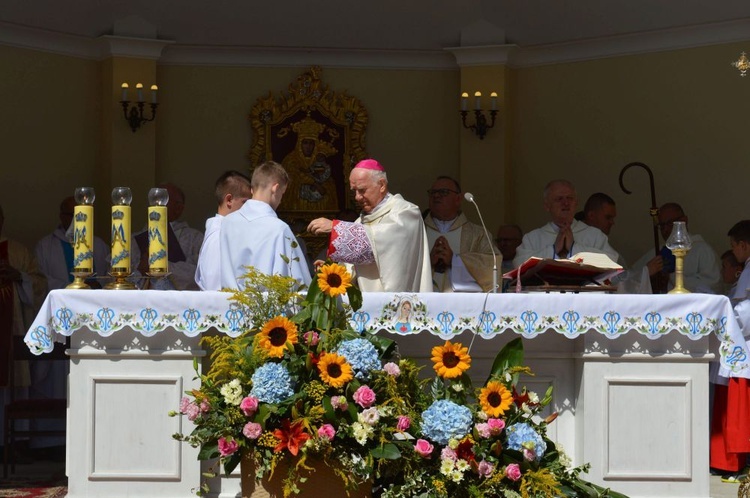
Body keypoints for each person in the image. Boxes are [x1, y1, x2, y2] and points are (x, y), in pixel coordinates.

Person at [307, 158, 432, 292]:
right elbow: (353, 267)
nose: (357, 197)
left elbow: (379, 245)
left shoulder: (405, 212)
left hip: (396, 303)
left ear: (382, 185)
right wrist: (332, 272)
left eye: (362, 190)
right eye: (354, 191)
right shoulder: (359, 221)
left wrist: (335, 228)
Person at [0, 204, 46, 459]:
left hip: (11, 326)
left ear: (3, 219)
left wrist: (19, 276)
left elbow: (39, 283)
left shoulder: (17, 250)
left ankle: (14, 445)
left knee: (11, 379)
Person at [220, 161, 311, 289]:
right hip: (264, 307)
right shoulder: (279, 229)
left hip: (231, 306)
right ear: (276, 188)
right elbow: (296, 283)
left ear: (252, 189)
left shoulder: (227, 223)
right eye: (282, 194)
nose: (281, 200)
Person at [710, 221, 750, 481]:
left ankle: (732, 461)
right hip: (741, 344)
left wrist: (722, 318)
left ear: (744, 245)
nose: (733, 251)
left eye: (734, 246)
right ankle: (727, 461)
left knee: (735, 407)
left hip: (743, 345)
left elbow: (746, 312)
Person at [513, 180, 620, 268]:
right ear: (547, 206)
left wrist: (575, 248)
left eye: (570, 198)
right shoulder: (532, 238)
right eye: (559, 199)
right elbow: (518, 266)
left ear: (576, 203)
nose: (566, 203)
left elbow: (612, 263)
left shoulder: (595, 235)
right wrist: (553, 250)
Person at [423, 176, 495, 292]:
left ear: (458, 199)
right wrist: (427, 261)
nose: (436, 196)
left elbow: (491, 269)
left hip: (463, 304)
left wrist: (455, 260)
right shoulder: (417, 231)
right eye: (433, 192)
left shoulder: (478, 234)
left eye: (443, 192)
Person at [631, 202, 720, 294]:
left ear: (684, 221)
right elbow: (631, 277)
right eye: (662, 225)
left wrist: (672, 276)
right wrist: (648, 273)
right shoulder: (657, 251)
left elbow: (712, 286)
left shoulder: (702, 250)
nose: (665, 230)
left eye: (670, 223)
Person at [134, 183, 204, 290]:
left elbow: (200, 275)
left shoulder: (194, 238)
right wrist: (140, 270)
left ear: (178, 208)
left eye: (163, 200)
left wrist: (164, 266)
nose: (156, 205)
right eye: (154, 200)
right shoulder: (132, 240)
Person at [35, 196, 108, 290]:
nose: (78, 219)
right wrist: (72, 288)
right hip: (63, 301)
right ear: (62, 216)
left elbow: (108, 274)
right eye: (74, 214)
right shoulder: (45, 246)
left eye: (82, 214)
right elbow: (41, 279)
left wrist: (98, 284)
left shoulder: (99, 244)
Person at [195, 171, 252, 291]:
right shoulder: (218, 236)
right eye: (245, 202)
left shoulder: (228, 233)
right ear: (229, 200)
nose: (250, 208)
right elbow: (215, 286)